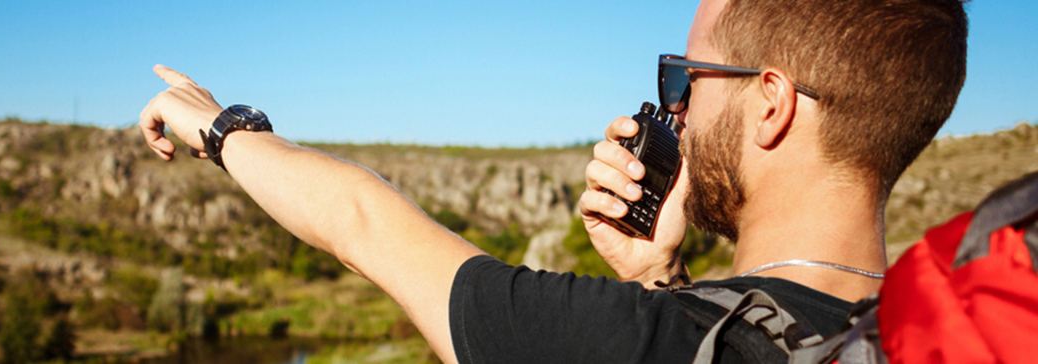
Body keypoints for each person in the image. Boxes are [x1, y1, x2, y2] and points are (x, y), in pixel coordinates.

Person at [138, 0, 967, 362]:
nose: (672, 113)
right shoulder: (939, 338)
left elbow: (366, 227)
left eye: (686, 79)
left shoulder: (636, 345)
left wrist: (218, 127)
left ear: (772, 105)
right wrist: (659, 279)